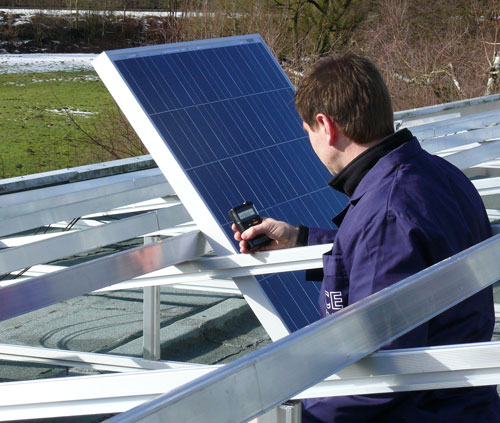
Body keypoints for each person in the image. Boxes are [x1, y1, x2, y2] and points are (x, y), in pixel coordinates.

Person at [232, 53, 500, 422]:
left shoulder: (385, 211)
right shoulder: (436, 174)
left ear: (326, 126)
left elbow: (377, 373)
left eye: (308, 131)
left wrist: (302, 418)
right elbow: (394, 255)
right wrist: (300, 239)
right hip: (464, 405)